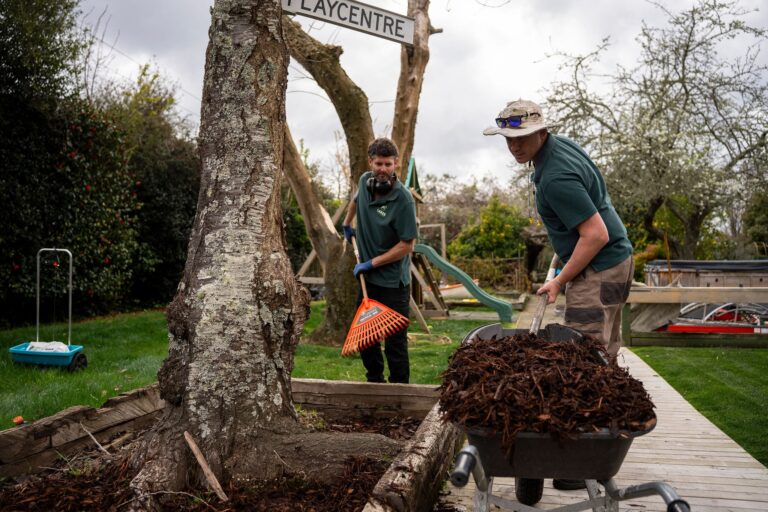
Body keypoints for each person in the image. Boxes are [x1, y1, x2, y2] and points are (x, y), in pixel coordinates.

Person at [484, 99, 634, 491]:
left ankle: (579, 465)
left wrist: (559, 281)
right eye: (508, 139)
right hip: (617, 261)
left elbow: (594, 234)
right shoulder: (560, 147)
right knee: (604, 356)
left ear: (541, 131)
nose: (514, 146)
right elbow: (590, 215)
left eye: (521, 137)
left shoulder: (555, 177)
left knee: (584, 362)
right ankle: (599, 448)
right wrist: (564, 252)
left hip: (599, 269)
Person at [342, 137, 417, 384]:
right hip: (368, 280)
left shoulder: (403, 199)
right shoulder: (364, 181)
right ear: (370, 163)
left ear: (396, 163)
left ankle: (400, 392)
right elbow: (355, 201)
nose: (383, 169)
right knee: (366, 337)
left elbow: (407, 245)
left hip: (393, 283)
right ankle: (374, 383)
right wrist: (347, 224)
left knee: (395, 342)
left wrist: (371, 263)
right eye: (378, 164)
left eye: (388, 164)